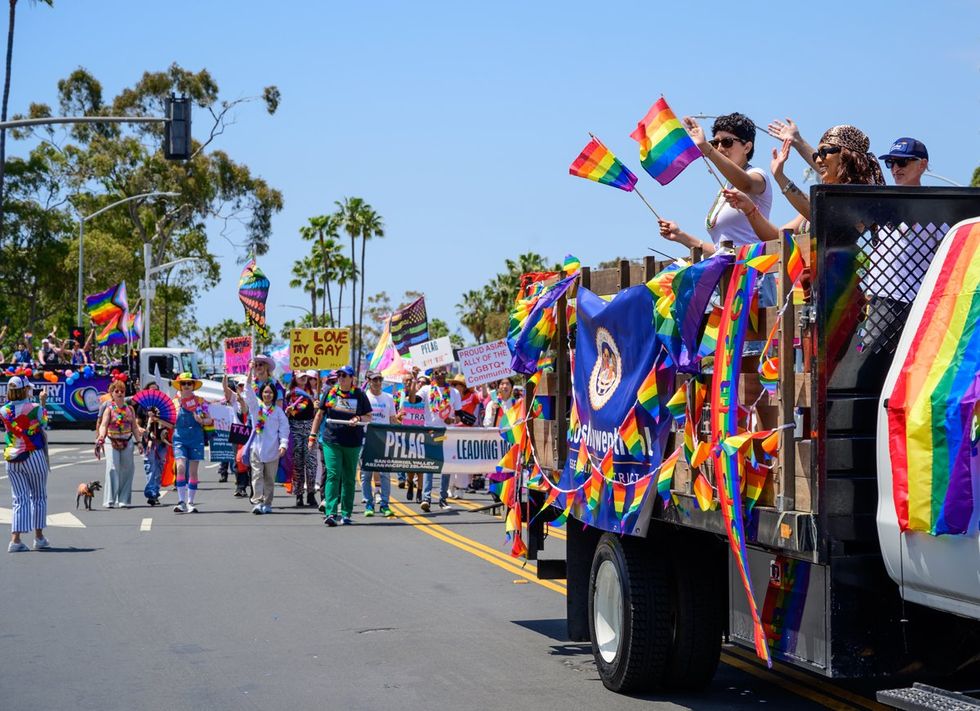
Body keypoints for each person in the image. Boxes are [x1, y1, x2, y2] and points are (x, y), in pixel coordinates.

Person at [658, 112, 773, 256]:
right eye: (715, 143)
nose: (719, 148)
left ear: (747, 147)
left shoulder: (757, 175)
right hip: (731, 274)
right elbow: (721, 251)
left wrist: (706, 148)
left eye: (727, 142)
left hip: (753, 274)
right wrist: (680, 236)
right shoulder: (725, 188)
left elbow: (747, 185)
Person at [308, 365, 371, 526]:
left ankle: (346, 513)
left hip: (352, 442)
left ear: (352, 378)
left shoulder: (359, 394)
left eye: (345, 375)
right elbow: (319, 414)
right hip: (331, 440)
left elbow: (368, 416)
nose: (341, 378)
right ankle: (330, 512)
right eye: (339, 375)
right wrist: (313, 435)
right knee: (333, 474)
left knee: (349, 478)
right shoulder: (330, 392)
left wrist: (358, 419)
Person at [1, 376, 51, 551]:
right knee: (38, 496)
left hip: (12, 457)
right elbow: (44, 422)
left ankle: (15, 540)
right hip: (33, 455)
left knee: (19, 498)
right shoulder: (35, 408)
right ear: (24, 390)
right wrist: (43, 402)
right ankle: (39, 538)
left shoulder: (4, 410)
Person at [245, 366, 289, 515]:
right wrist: (250, 373)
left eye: (270, 392)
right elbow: (249, 393)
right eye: (265, 392)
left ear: (274, 395)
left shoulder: (278, 411)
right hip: (256, 449)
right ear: (261, 394)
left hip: (273, 450)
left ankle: (267, 503)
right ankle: (257, 502)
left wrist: (283, 445)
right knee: (257, 476)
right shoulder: (256, 408)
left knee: (269, 478)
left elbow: (284, 429)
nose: (267, 395)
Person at [417, 368, 461, 512]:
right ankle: (426, 498)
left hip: (448, 432)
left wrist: (452, 419)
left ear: (446, 374)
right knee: (430, 465)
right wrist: (412, 383)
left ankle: (443, 499)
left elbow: (459, 415)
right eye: (437, 373)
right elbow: (413, 400)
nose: (440, 375)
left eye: (443, 372)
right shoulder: (426, 389)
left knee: (446, 467)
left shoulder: (454, 392)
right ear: (433, 375)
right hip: (431, 432)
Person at [95, 379, 143, 508]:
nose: (120, 393)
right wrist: (101, 436)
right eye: (117, 391)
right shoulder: (108, 409)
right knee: (112, 468)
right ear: (112, 393)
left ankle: (123, 499)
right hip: (111, 440)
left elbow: (134, 427)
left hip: (127, 440)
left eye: (122, 391)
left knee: (127, 470)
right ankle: (109, 499)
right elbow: (103, 425)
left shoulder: (130, 409)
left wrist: (139, 442)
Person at [170, 372, 213, 514]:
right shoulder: (174, 402)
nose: (187, 386)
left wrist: (202, 420)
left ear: (193, 386)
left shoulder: (201, 401)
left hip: (196, 438)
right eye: (184, 383)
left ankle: (190, 502)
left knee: (193, 472)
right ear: (180, 386)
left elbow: (210, 420)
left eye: (189, 383)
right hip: (179, 438)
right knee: (181, 467)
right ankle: (181, 501)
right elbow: (169, 423)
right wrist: (156, 418)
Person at [362, 370, 396, 518]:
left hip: (384, 440)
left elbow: (393, 419)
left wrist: (396, 437)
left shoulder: (388, 398)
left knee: (385, 474)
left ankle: (384, 504)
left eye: (379, 379)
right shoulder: (363, 397)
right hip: (366, 439)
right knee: (366, 474)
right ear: (368, 380)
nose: (377, 382)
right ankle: (369, 503)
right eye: (374, 380)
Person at [285, 369, 319, 507]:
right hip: (295, 429)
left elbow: (317, 414)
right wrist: (288, 411)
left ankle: (311, 493)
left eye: (306, 376)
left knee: (311, 463)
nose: (304, 379)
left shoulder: (314, 393)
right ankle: (299, 494)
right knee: (298, 463)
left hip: (310, 428)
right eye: (301, 377)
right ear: (294, 378)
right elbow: (289, 413)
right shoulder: (290, 394)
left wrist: (316, 407)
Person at [484, 377, 521, 503]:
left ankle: (508, 493)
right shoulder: (492, 404)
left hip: (511, 442)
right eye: (502, 384)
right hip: (496, 441)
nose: (504, 386)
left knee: (510, 469)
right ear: (498, 387)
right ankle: (496, 491)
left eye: (507, 384)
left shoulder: (517, 404)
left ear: (511, 387)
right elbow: (487, 424)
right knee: (495, 467)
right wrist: (494, 412)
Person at [138, 382, 172, 507]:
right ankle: (151, 494)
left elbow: (170, 425)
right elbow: (138, 422)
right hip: (148, 442)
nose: (154, 392)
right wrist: (141, 429)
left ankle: (155, 491)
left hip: (162, 442)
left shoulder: (164, 407)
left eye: (156, 390)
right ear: (147, 391)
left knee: (159, 468)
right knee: (150, 467)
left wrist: (158, 419)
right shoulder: (142, 406)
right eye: (151, 390)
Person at [395, 374, 426, 502]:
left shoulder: (425, 398)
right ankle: (409, 483)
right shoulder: (401, 397)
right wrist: (400, 417)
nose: (408, 382)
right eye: (406, 380)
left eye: (411, 380)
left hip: (422, 434)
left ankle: (419, 491)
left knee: (420, 465)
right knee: (409, 464)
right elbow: (397, 417)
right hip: (407, 434)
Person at [450, 373, 482, 495]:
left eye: (459, 385)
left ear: (464, 387)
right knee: (451, 460)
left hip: (466, 432)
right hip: (452, 431)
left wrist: (484, 383)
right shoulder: (450, 396)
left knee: (462, 461)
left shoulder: (472, 396)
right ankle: (450, 486)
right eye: (455, 385)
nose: (456, 387)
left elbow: (483, 397)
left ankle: (460, 488)